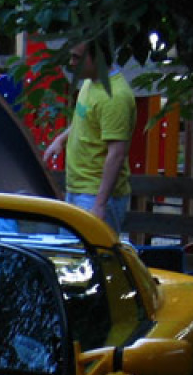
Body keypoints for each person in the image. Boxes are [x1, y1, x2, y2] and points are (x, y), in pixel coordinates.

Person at [43, 41, 136, 234]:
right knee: (71, 257)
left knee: (92, 260)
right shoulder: (90, 82)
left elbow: (116, 154)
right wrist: (60, 139)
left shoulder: (115, 98)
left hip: (96, 195)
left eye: (77, 57)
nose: (71, 62)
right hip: (77, 189)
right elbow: (85, 121)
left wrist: (100, 205)